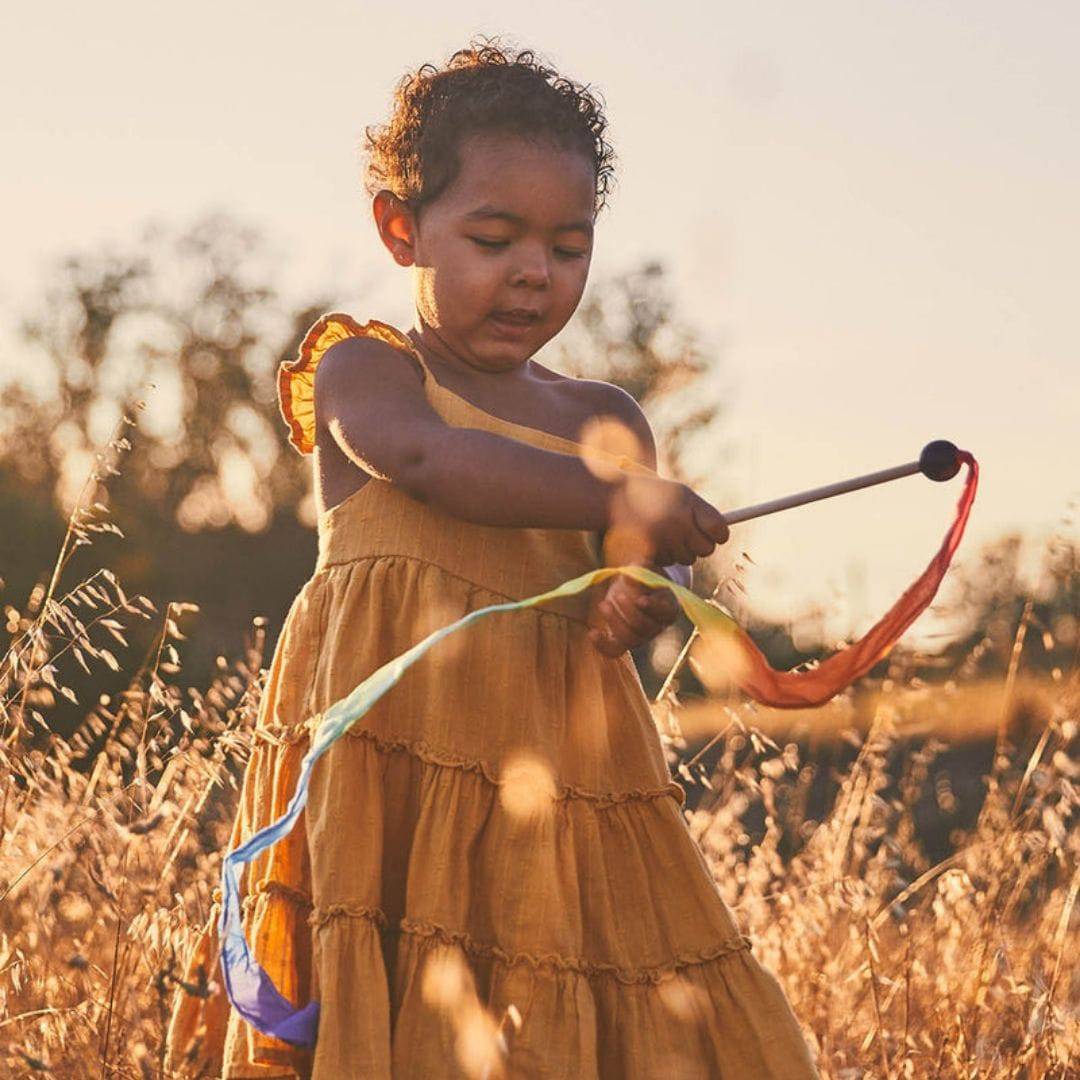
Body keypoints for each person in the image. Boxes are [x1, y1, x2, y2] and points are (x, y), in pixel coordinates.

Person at [165, 37, 819, 1079]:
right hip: (390, 790)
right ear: (401, 228)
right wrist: (625, 500)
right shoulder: (366, 372)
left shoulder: (603, 419)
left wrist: (646, 587)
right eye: (494, 236)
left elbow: (644, 569)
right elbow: (435, 463)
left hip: (559, 805)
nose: (534, 272)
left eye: (569, 246)